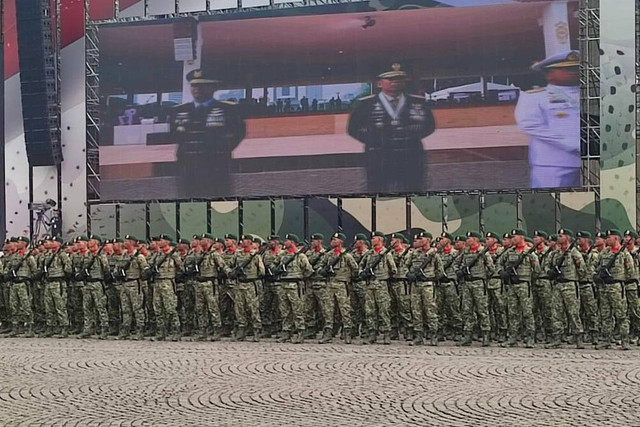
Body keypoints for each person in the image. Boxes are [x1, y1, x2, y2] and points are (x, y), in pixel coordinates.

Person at [347, 63, 435, 193]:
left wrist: (410, 138)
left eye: (399, 79)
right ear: (379, 83)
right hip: (379, 156)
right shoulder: (366, 104)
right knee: (377, 193)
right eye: (390, 79)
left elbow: (430, 125)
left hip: (411, 155)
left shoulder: (417, 102)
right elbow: (353, 128)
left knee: (414, 192)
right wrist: (373, 140)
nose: (395, 82)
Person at [170, 69, 246, 198]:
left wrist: (221, 149)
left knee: (218, 202)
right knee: (189, 204)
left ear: (213, 87)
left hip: (216, 166)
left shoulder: (228, 109)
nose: (196, 89)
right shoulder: (179, 111)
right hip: (188, 167)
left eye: (202, 85)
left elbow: (238, 132)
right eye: (193, 85)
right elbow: (175, 135)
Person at [515, 51, 580, 188]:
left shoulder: (592, 94)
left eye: (576, 68)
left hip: (592, 160)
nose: (574, 72)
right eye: (566, 69)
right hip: (554, 162)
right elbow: (530, 125)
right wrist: (572, 144)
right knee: (549, 203)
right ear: (549, 74)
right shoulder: (535, 96)